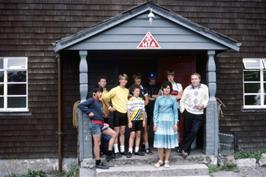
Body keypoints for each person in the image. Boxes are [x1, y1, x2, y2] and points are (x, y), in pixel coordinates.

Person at [78, 86, 117, 169]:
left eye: (101, 92)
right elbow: (80, 106)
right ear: (94, 93)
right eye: (99, 92)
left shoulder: (100, 102)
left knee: (114, 134)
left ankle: (109, 153)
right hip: (95, 124)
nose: (100, 94)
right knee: (97, 143)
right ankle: (98, 162)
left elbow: (99, 111)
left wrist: (103, 114)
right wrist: (88, 112)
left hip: (102, 124)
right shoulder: (91, 100)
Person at [180, 73, 209, 158]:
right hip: (188, 112)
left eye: (195, 79)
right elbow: (182, 100)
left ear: (199, 79)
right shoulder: (187, 88)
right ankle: (186, 150)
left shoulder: (204, 88)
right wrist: (183, 110)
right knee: (187, 131)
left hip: (199, 113)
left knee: (194, 131)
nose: (194, 80)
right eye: (192, 79)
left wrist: (203, 105)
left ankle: (183, 147)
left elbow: (207, 99)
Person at [102, 73, 129, 157]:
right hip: (117, 113)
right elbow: (104, 98)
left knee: (122, 132)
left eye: (125, 79)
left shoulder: (127, 90)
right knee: (116, 132)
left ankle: (122, 150)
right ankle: (116, 151)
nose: (123, 81)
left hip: (124, 112)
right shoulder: (115, 89)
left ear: (126, 81)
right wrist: (109, 107)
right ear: (119, 80)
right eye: (122, 79)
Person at [153, 81, 179, 168]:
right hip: (160, 121)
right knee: (160, 142)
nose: (166, 89)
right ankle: (160, 160)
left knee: (168, 143)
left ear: (170, 89)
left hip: (170, 122)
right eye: (165, 88)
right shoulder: (158, 99)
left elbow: (175, 112)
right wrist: (155, 123)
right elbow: (155, 112)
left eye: (168, 88)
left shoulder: (173, 99)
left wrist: (175, 123)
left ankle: (167, 160)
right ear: (162, 89)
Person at [131, 73, 150, 153]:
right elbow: (129, 100)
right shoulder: (131, 88)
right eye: (136, 78)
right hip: (133, 112)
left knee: (145, 129)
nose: (138, 80)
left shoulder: (143, 88)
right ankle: (133, 149)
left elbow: (147, 101)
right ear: (134, 79)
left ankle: (147, 147)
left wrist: (140, 104)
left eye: (139, 79)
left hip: (142, 111)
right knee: (134, 131)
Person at [127, 85, 146, 158]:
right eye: (136, 91)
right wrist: (129, 121)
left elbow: (143, 111)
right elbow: (128, 111)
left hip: (140, 120)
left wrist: (144, 120)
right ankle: (130, 150)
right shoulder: (130, 100)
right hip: (133, 120)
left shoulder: (141, 100)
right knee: (132, 135)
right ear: (133, 92)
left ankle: (136, 150)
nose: (138, 92)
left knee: (138, 135)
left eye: (139, 91)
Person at [166, 70, 183, 153]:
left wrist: (170, 97)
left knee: (176, 126)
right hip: (167, 110)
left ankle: (177, 144)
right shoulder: (165, 85)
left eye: (171, 76)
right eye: (169, 76)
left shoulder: (178, 85)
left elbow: (180, 95)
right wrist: (174, 97)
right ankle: (168, 144)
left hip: (176, 108)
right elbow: (162, 96)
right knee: (167, 126)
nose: (170, 77)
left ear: (174, 76)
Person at [145, 72, 161, 151]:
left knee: (157, 125)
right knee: (146, 126)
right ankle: (145, 143)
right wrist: (153, 97)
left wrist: (152, 96)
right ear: (149, 79)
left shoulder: (158, 86)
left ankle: (157, 142)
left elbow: (160, 95)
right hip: (148, 108)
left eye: (153, 78)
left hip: (157, 108)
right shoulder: (146, 86)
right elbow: (147, 97)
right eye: (151, 78)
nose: (152, 80)